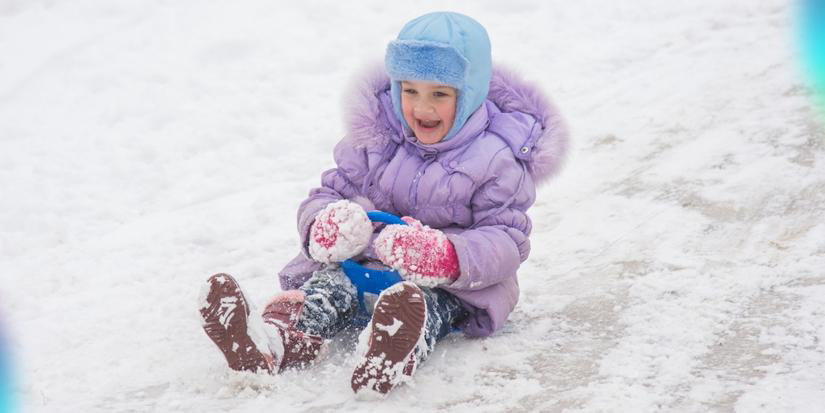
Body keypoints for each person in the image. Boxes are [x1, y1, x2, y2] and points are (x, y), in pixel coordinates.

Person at [198, 11, 568, 396]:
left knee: (423, 306)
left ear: (470, 92)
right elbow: (330, 190)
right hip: (362, 265)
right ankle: (271, 341)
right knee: (325, 289)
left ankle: (391, 352)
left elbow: (506, 239)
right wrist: (325, 225)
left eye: (439, 94)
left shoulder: (497, 158)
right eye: (410, 91)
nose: (422, 108)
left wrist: (446, 258)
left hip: (446, 285)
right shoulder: (376, 134)